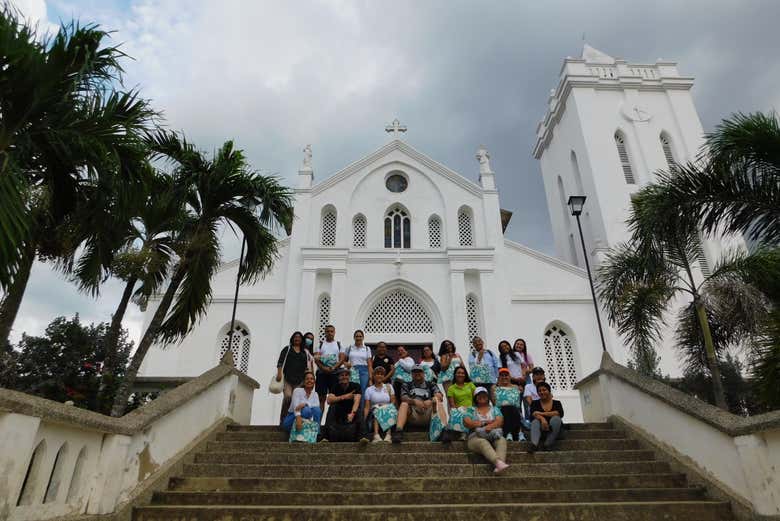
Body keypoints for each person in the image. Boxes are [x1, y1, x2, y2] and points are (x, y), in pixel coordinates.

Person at [464, 386, 509, 474]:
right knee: (482, 442)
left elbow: (500, 421)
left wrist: (490, 426)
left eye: (484, 395)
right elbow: (467, 422)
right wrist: (484, 423)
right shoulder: (471, 409)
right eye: (479, 395)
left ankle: (500, 465)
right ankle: (497, 462)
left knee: (502, 440)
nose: (482, 397)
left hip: (492, 434)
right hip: (475, 437)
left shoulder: (495, 409)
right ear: (475, 398)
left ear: (488, 397)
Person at [392, 365, 443, 443]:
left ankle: (444, 430)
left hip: (428, 413)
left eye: (419, 371)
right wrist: (415, 401)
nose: (417, 373)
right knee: (404, 404)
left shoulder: (431, 384)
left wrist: (431, 400)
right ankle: (398, 431)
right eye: (415, 372)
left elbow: (440, 395)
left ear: (423, 373)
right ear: (411, 374)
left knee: (438, 403)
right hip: (413, 414)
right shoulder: (406, 385)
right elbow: (403, 397)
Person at [276, 331, 311, 425]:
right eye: (295, 337)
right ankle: (282, 419)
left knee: (296, 401)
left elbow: (307, 366)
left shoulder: (304, 352)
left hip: (299, 381)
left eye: (299, 337)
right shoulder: (287, 349)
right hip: (287, 379)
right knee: (288, 397)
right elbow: (280, 361)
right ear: (292, 338)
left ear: (302, 340)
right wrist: (279, 373)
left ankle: (292, 420)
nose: (297, 338)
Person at [323, 368, 361, 442]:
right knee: (332, 407)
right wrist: (344, 397)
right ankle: (325, 437)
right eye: (342, 375)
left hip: (351, 411)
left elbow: (357, 400)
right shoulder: (335, 386)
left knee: (358, 410)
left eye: (346, 375)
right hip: (339, 412)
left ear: (349, 376)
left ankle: (362, 437)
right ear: (338, 377)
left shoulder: (356, 386)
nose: (344, 377)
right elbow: (329, 400)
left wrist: (352, 414)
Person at [282, 371, 321, 443]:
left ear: (314, 382)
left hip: (303, 420)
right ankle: (298, 433)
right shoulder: (297, 391)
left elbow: (316, 408)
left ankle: (317, 434)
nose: (310, 380)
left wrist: (305, 404)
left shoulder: (315, 394)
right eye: (307, 379)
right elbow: (296, 408)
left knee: (317, 410)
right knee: (306, 410)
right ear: (303, 381)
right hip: (291, 419)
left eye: (312, 379)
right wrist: (298, 420)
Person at [363, 366, 397, 442]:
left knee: (388, 408)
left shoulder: (389, 386)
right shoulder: (369, 390)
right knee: (377, 408)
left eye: (381, 374)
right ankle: (376, 435)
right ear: (374, 376)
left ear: (384, 376)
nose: (379, 375)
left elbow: (393, 401)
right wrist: (363, 420)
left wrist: (386, 407)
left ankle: (389, 435)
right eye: (377, 374)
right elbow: (367, 407)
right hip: (374, 412)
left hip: (388, 411)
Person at [314, 325, 344, 410]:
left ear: (334, 333)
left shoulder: (339, 345)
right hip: (322, 374)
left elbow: (342, 359)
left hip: (335, 374)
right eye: (327, 331)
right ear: (325, 333)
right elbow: (316, 359)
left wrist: (334, 367)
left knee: (334, 398)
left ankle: (331, 421)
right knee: (321, 399)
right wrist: (324, 368)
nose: (329, 333)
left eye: (331, 331)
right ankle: (319, 421)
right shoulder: (320, 345)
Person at [529, 382, 564, 453]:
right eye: (539, 391)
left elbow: (559, 413)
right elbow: (533, 414)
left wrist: (541, 413)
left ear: (549, 391)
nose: (542, 392)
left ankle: (547, 444)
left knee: (556, 419)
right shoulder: (535, 403)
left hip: (554, 431)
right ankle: (534, 445)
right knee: (535, 421)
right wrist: (542, 419)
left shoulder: (557, 403)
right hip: (541, 431)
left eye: (544, 390)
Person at [340, 329, 372, 407]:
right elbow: (343, 361)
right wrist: (347, 364)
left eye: (360, 336)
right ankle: (352, 410)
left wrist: (370, 377)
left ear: (363, 337)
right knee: (352, 390)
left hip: (364, 371)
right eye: (357, 336)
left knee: (362, 391)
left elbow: (369, 364)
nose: (358, 338)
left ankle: (360, 412)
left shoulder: (367, 348)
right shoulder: (350, 348)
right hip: (353, 371)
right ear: (354, 337)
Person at [493, 367, 525, 442]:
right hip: (501, 410)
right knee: (506, 409)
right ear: (499, 377)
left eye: (506, 375)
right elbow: (494, 402)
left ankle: (513, 433)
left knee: (513, 409)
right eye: (502, 375)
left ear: (510, 377)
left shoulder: (516, 387)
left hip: (514, 410)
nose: (504, 377)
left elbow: (518, 402)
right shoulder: (495, 388)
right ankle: (515, 433)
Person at [445, 365, 476, 437]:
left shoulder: (470, 385)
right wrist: (462, 408)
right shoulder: (451, 388)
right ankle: (464, 433)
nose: (460, 375)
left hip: (471, 408)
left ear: (465, 375)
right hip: (459, 410)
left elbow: (477, 398)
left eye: (463, 373)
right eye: (458, 373)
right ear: (455, 374)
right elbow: (452, 405)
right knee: (461, 412)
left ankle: (465, 433)